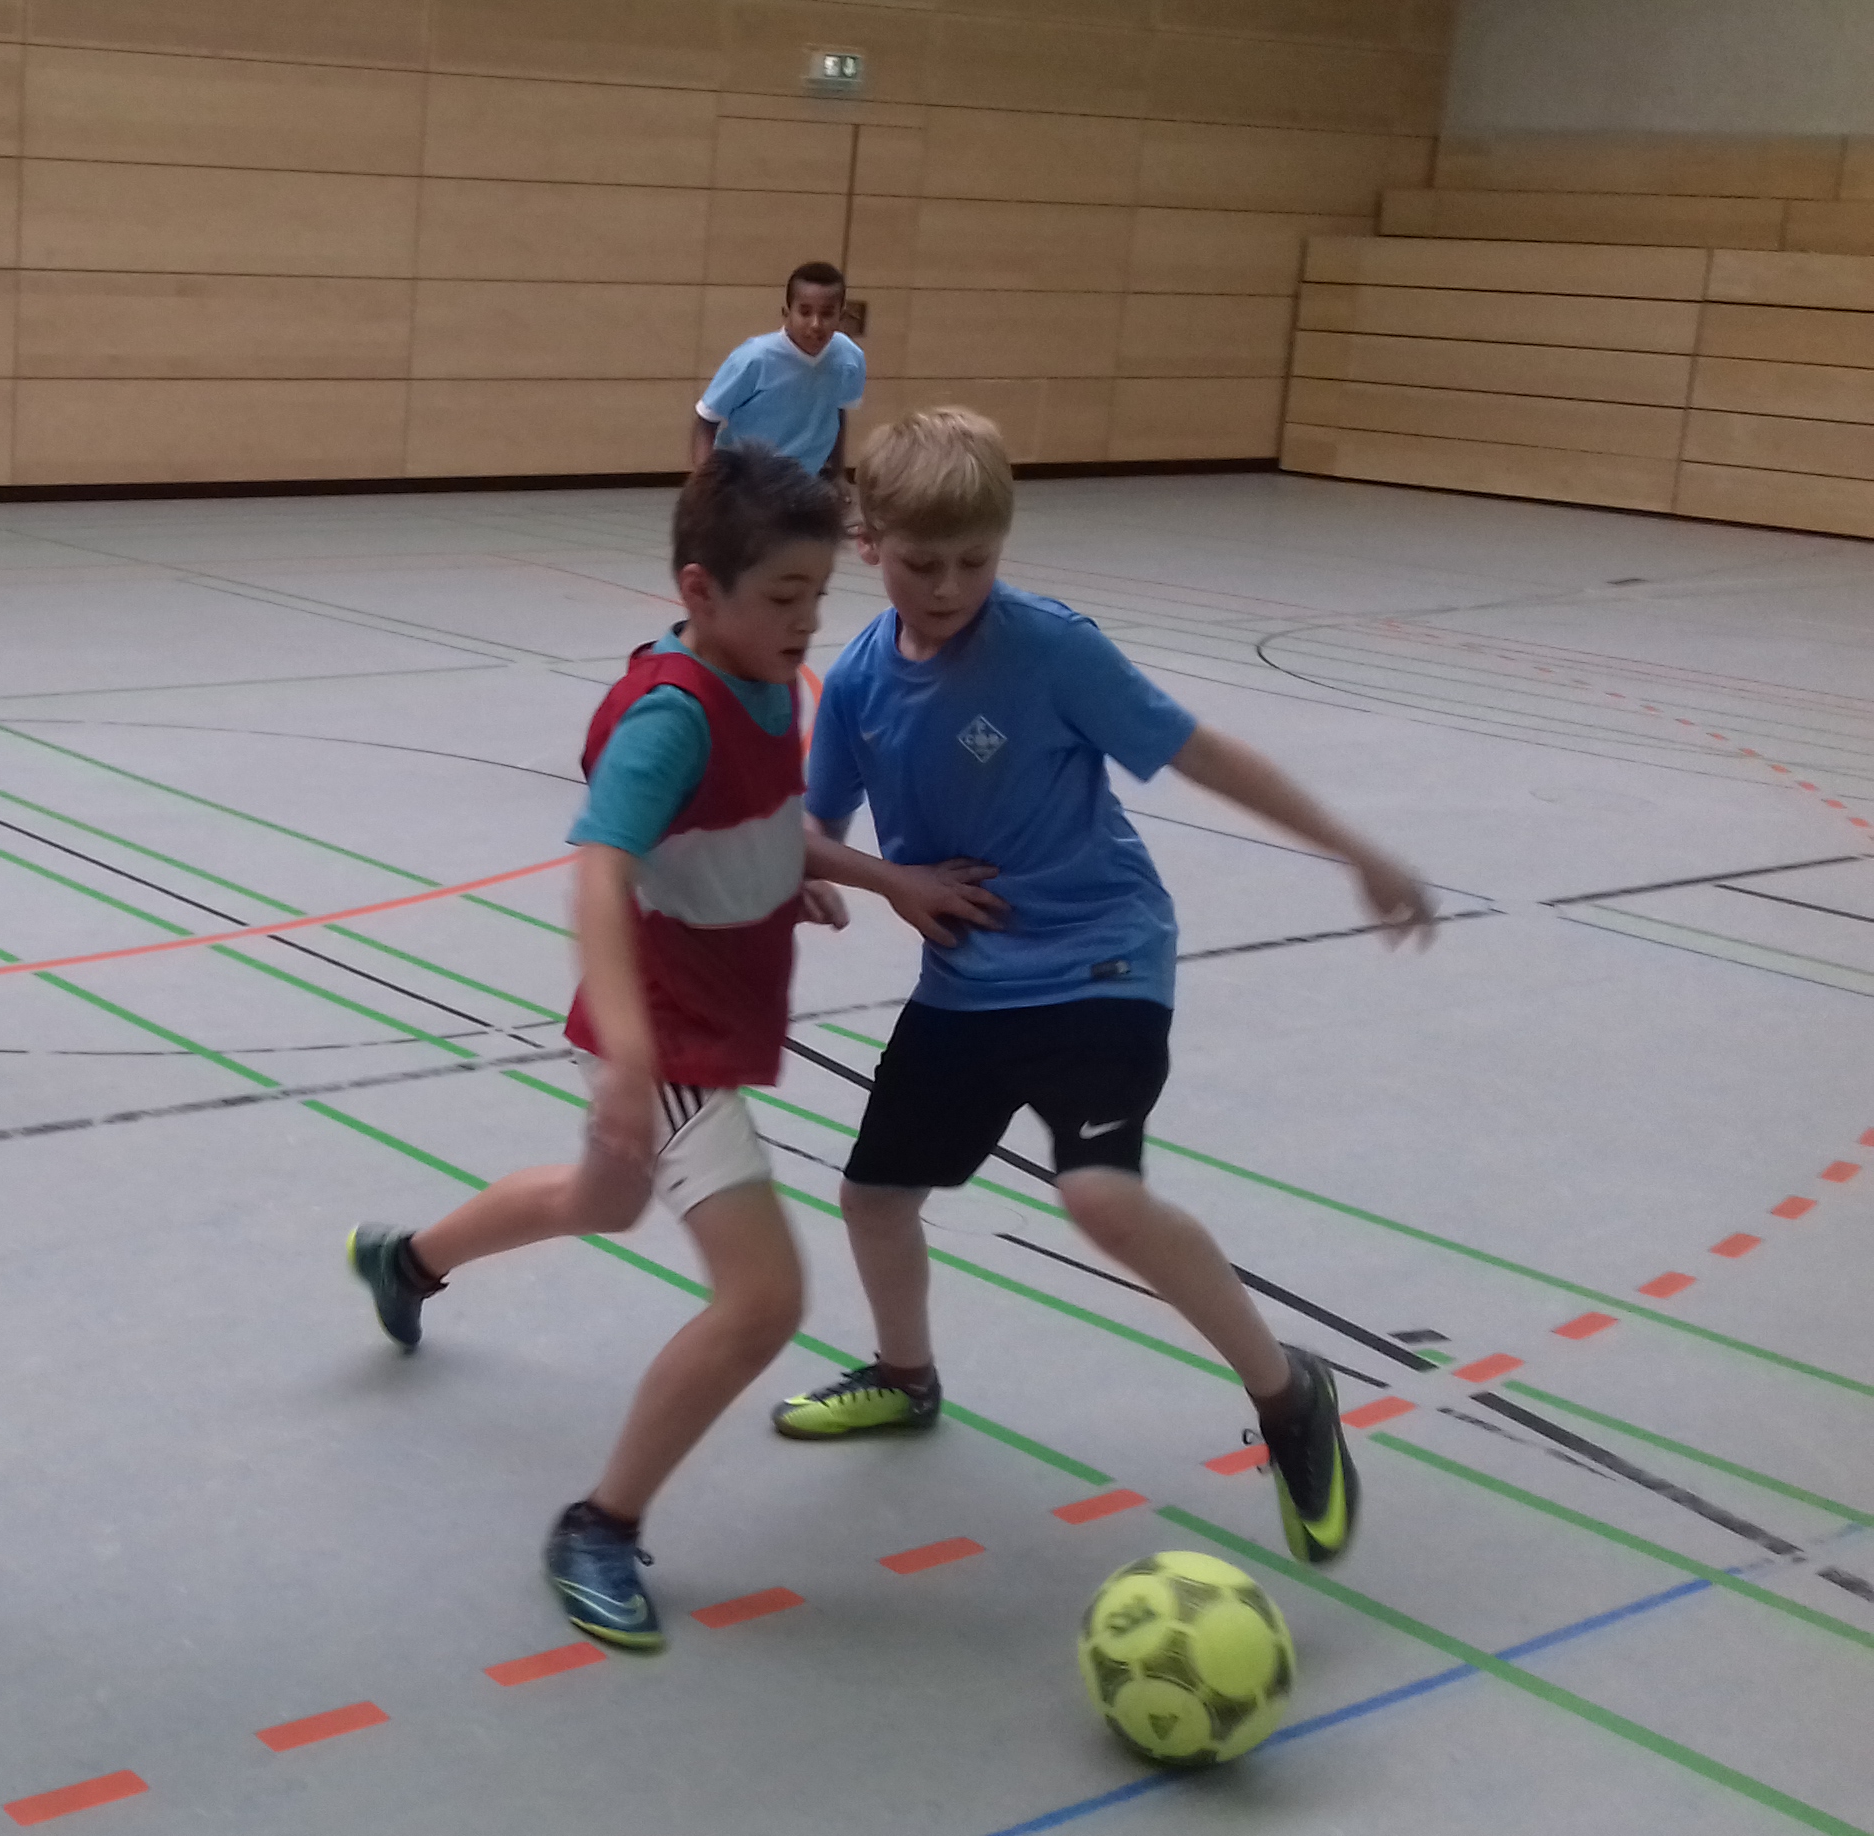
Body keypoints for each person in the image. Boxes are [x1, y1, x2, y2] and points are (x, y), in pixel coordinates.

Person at [345, 446, 1010, 1653]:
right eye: (784, 597)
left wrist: (850, 876)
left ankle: (409, 1262)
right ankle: (598, 1526)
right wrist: (631, 1054)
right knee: (766, 1299)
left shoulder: (761, 674)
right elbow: (600, 871)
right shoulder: (670, 717)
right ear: (701, 591)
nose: (807, 622)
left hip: (693, 1024)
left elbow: (755, 823)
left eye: (818, 595)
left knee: (600, 1200)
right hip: (669, 1040)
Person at [768, 406, 1438, 1569]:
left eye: (976, 561)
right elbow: (814, 828)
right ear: (867, 543)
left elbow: (1201, 751)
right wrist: (860, 882)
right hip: (966, 985)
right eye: (923, 563)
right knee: (874, 1198)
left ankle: (1290, 1395)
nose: (950, 587)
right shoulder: (862, 679)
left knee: (1100, 1195)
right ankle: (906, 1375)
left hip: (1102, 957)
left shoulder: (1050, 648)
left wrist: (1352, 847)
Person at [688, 260, 864, 496]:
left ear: (841, 317)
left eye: (827, 314)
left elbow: (838, 412)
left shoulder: (849, 357)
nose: (816, 324)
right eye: (805, 312)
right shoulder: (753, 358)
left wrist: (838, 474)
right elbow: (706, 420)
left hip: (803, 483)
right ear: (786, 313)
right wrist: (704, 488)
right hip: (742, 483)